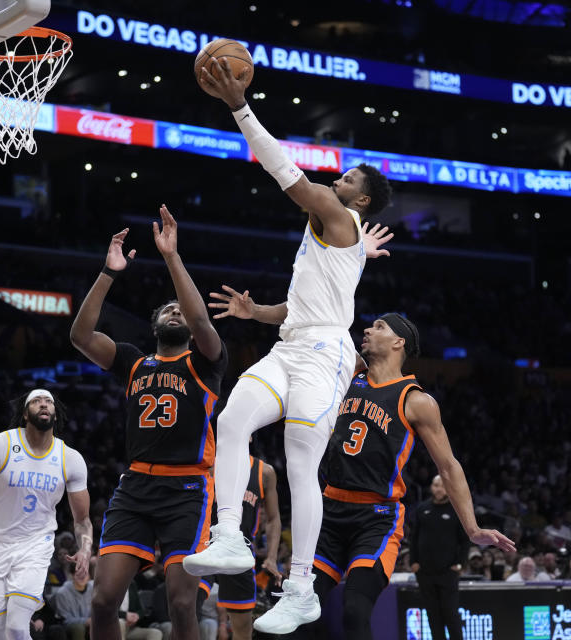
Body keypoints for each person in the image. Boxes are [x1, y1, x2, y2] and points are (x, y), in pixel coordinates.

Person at [186, 54, 394, 635]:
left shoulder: (336, 215)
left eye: (349, 179)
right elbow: (306, 305)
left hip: (327, 358)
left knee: (301, 466)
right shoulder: (337, 231)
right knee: (231, 422)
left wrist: (239, 108)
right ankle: (230, 534)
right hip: (291, 342)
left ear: (361, 202)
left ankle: (301, 586)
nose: (339, 178)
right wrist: (260, 311)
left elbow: (287, 175)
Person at [209, 300, 515, 638]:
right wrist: (256, 313)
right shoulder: (346, 372)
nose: (368, 329)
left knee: (355, 610)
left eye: (380, 327)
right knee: (290, 621)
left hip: (376, 518)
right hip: (329, 511)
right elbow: (312, 312)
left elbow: (449, 466)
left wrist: (472, 529)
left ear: (399, 342)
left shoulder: (415, 400)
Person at [69, 206, 228, 640]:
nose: (176, 313)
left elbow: (199, 318)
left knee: (181, 603)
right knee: (102, 602)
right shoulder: (133, 362)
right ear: (155, 323)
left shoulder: (205, 362)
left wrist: (172, 257)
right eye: (168, 309)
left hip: (188, 490)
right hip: (137, 486)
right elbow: (80, 337)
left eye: (181, 312)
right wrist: (108, 271)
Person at [0, 388, 91, 640]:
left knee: (17, 628)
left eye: (48, 401)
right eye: (36, 401)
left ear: (55, 414)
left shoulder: (70, 459)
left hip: (34, 547)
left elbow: (82, 519)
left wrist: (85, 548)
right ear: (25, 414)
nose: (43, 404)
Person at [202, 456, 281, 640]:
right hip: (205, 547)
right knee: (186, 607)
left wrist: (272, 557)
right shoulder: (210, 464)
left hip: (240, 552)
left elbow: (273, 518)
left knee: (243, 626)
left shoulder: (264, 472)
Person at [409, 476, 469, 640]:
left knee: (450, 614)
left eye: (442, 486)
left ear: (449, 487)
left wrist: (459, 564)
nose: (438, 489)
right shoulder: (423, 508)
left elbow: (464, 541)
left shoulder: (456, 509)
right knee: (433, 616)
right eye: (435, 485)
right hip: (425, 572)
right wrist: (413, 562)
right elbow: (414, 537)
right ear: (431, 487)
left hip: (447, 572)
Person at [49, 566, 93, 640]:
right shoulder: (62, 593)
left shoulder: (93, 589)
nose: (82, 576)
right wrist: (86, 621)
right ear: (72, 575)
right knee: (78, 627)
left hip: (90, 623)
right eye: (78, 573)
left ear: (89, 576)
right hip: (69, 626)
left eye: (85, 573)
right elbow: (65, 619)